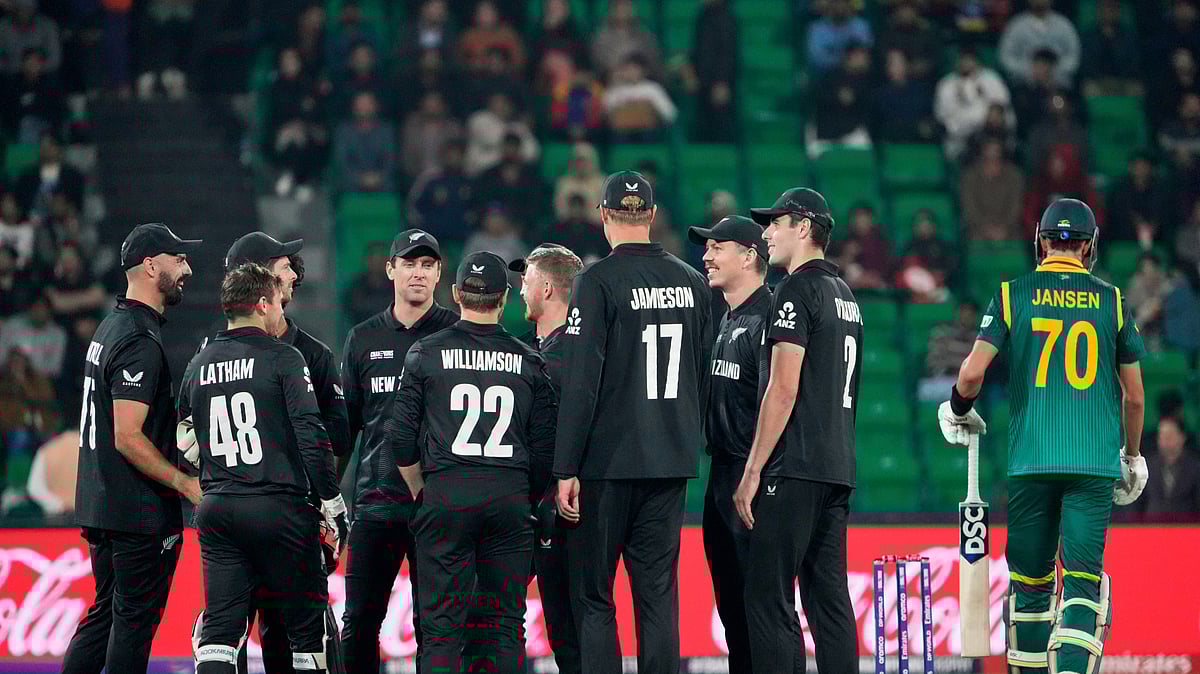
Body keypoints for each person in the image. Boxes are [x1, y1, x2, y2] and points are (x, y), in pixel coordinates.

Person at [938, 198, 1148, 674]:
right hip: (1092, 465)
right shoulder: (1112, 301)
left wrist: (956, 409)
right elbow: (1133, 397)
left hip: (1031, 461)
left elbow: (971, 375)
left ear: (1041, 242)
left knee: (1030, 586)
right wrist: (1132, 456)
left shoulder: (1013, 294)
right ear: (1089, 247)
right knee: (1080, 587)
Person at [553, 171, 712, 674]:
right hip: (669, 461)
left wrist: (565, 466)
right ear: (651, 215)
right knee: (658, 597)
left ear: (603, 217)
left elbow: (581, 382)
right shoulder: (693, 282)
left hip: (607, 462)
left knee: (596, 597)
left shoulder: (595, 282)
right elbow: (703, 375)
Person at [392, 251, 558, 674]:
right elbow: (543, 449)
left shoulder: (426, 352)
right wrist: (524, 494)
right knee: (504, 625)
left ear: (454, 294)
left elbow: (400, 438)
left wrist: (421, 489)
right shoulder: (530, 361)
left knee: (442, 627)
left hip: (447, 493)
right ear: (504, 298)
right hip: (509, 497)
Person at [179, 263, 344, 674]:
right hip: (279, 508)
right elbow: (311, 433)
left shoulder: (198, 364)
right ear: (264, 304)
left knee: (219, 634)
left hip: (218, 509)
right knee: (308, 635)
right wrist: (331, 499)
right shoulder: (284, 357)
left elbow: (184, 439)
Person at [61, 222, 204, 674]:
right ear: (149, 265)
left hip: (104, 506)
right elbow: (127, 436)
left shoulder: (112, 325)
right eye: (178, 259)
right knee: (132, 626)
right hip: (136, 513)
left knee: (105, 616)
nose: (188, 269)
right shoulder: (139, 339)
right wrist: (185, 482)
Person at [735, 188, 861, 673]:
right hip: (837, 466)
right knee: (829, 602)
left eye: (776, 223)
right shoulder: (846, 296)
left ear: (804, 228)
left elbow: (783, 389)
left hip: (793, 468)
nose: (766, 232)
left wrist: (752, 470)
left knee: (767, 598)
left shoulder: (795, 290)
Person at [338, 229, 458, 673]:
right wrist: (331, 499)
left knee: (438, 627)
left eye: (428, 265)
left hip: (439, 507)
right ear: (390, 270)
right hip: (376, 504)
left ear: (440, 273)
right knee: (360, 622)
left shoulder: (456, 333)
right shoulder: (362, 339)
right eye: (409, 263)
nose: (418, 273)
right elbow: (346, 429)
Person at [687, 215, 770, 674]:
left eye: (718, 247)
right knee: (732, 607)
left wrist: (758, 472)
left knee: (761, 609)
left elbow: (781, 403)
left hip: (751, 477)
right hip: (722, 473)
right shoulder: (729, 318)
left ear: (749, 256)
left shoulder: (769, 316)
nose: (706, 256)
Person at [508, 243, 585, 674]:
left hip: (566, 508)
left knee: (572, 626)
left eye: (527, 279)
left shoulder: (581, 354)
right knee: (554, 628)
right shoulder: (522, 351)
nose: (520, 288)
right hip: (525, 506)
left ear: (549, 288)